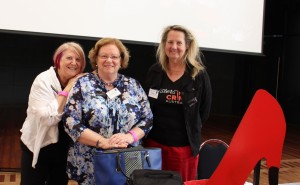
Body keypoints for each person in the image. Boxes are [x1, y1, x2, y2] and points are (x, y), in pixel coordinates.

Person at [61, 37, 153, 184]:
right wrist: (103, 142)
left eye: (114, 56)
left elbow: (147, 119)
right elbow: (70, 122)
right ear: (96, 59)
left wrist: (129, 137)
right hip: (90, 162)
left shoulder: (133, 85)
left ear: (121, 60)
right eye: (104, 56)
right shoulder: (83, 84)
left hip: (128, 159)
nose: (109, 60)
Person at [143, 25, 212, 181]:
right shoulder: (155, 72)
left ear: (187, 46)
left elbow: (204, 111)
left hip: (183, 149)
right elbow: (146, 106)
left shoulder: (198, 75)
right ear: (164, 44)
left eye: (179, 43)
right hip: (154, 145)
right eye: (170, 42)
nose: (174, 47)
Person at [20, 42, 86, 185]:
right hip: (39, 145)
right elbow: (47, 119)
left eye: (78, 59)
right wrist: (68, 87)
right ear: (58, 60)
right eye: (69, 58)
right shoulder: (43, 80)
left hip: (63, 149)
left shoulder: (82, 83)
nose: (74, 63)